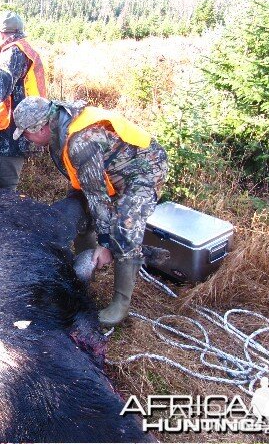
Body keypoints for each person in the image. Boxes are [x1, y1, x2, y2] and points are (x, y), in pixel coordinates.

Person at [12, 96, 168, 327]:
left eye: (26, 133)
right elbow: (85, 183)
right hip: (107, 172)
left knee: (124, 229)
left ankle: (120, 305)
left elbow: (98, 196)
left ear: (41, 127)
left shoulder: (80, 142)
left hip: (142, 171)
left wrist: (105, 244)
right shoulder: (58, 123)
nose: (26, 139)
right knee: (80, 212)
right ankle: (85, 272)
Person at [0, 11, 47, 191]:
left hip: (8, 139)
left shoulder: (13, 53)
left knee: (5, 193)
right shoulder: (26, 50)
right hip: (15, 134)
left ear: (1, 33)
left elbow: (1, 83)